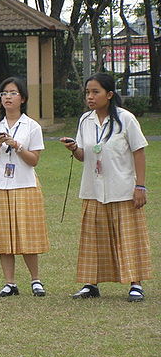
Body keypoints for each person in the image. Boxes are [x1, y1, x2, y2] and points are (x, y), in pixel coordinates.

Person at [61, 72, 151, 302]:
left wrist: (140, 186)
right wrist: (73, 149)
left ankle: (135, 283)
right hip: (93, 188)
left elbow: (138, 152)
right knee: (93, 237)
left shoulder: (126, 119)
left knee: (128, 236)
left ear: (109, 95)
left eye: (95, 92)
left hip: (121, 187)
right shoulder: (85, 120)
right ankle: (91, 283)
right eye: (87, 92)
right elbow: (84, 155)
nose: (90, 97)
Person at [0, 77, 49, 297]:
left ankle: (36, 280)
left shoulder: (31, 126)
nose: (7, 97)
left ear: (23, 98)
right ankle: (10, 283)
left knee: (28, 234)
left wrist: (17, 145)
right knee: (3, 236)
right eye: (4, 93)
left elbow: (34, 160)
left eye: (12, 93)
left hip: (24, 184)